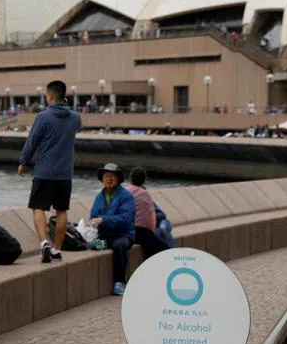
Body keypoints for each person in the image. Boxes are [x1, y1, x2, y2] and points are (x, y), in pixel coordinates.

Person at [17, 80, 81, 263]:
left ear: (50, 96)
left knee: (39, 208)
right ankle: (57, 249)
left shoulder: (43, 117)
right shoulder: (75, 117)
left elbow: (32, 141)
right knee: (61, 211)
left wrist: (24, 161)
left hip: (44, 171)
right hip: (65, 172)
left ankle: (44, 242)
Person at [89, 164, 135, 296]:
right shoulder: (99, 196)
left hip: (124, 234)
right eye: (106, 176)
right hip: (105, 235)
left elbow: (125, 218)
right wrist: (93, 222)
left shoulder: (126, 196)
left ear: (118, 179)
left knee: (119, 246)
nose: (109, 179)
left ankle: (120, 282)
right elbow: (93, 216)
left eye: (112, 176)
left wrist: (103, 220)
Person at [124, 167, 171, 258]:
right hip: (140, 232)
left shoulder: (123, 192)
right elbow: (150, 218)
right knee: (165, 250)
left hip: (125, 231)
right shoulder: (145, 194)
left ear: (130, 179)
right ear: (144, 180)